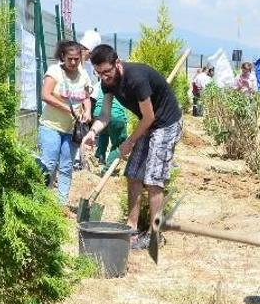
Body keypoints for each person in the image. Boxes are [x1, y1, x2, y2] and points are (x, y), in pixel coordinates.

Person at [84, 45, 183, 250]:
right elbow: (104, 116)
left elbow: (149, 117)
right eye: (98, 73)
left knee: (153, 179)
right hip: (148, 124)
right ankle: (132, 228)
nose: (103, 77)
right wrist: (93, 132)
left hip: (166, 124)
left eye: (106, 72)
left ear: (117, 64)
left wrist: (129, 142)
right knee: (133, 174)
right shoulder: (107, 83)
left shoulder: (136, 79)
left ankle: (155, 235)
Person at [38, 40, 92, 208]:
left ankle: (61, 205)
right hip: (51, 126)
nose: (74, 62)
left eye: (77, 59)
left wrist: (88, 111)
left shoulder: (83, 74)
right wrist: (68, 109)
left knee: (67, 166)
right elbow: (45, 95)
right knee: (49, 164)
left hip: (71, 130)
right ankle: (41, 202)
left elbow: (86, 97)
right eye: (70, 59)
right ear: (63, 56)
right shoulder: (54, 71)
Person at [73, 30, 103, 171]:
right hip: (69, 104)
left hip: (81, 104)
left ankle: (78, 160)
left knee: (79, 131)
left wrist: (87, 109)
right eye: (91, 54)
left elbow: (86, 89)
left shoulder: (86, 66)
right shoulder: (74, 62)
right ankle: (75, 160)